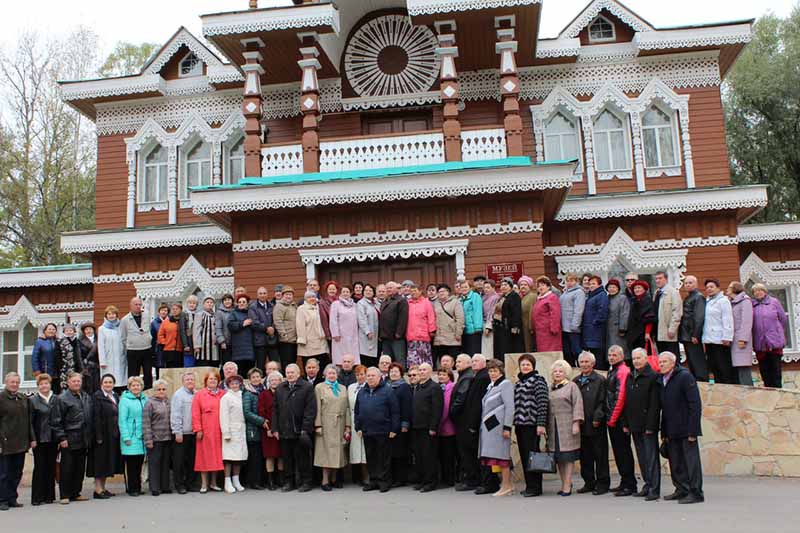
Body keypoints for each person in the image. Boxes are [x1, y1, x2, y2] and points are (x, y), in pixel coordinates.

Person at [658, 351, 704, 504]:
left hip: (686, 429)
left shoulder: (685, 377)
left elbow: (695, 404)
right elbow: (664, 407)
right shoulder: (663, 379)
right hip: (671, 429)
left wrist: (693, 430)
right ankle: (681, 489)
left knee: (691, 462)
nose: (661, 364)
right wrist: (663, 431)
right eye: (660, 362)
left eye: (664, 362)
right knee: (676, 462)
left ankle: (695, 492)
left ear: (673, 362)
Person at [623, 348, 661, 501]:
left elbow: (654, 405)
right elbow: (627, 402)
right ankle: (647, 484)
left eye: (639, 358)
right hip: (634, 424)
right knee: (642, 457)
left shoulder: (652, 377)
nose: (636, 361)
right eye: (634, 358)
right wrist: (626, 422)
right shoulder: (631, 376)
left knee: (651, 457)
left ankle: (654, 488)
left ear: (646, 359)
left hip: (647, 426)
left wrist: (651, 426)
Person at [355, 366, 400, 493]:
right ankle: (373, 480)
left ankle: (384, 481)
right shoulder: (362, 392)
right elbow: (357, 411)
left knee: (383, 458)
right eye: (368, 376)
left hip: (383, 430)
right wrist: (358, 426)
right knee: (371, 457)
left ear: (379, 377)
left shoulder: (388, 390)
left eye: (372, 376)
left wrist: (394, 428)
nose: (369, 378)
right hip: (367, 430)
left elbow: (395, 411)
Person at [273, 364, 317, 492]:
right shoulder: (280, 388)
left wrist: (305, 428)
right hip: (284, 430)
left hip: (300, 430)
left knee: (303, 458)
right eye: (287, 372)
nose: (290, 374)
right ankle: (289, 482)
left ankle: (306, 482)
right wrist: (275, 428)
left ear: (298, 373)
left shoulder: (307, 387)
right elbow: (275, 410)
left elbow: (311, 410)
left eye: (292, 372)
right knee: (287, 458)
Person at [51, 372, 92, 504]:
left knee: (79, 468)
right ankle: (65, 495)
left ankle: (76, 492)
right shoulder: (62, 398)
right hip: (69, 438)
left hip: (83, 437)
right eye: (74, 381)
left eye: (78, 381)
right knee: (67, 468)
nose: (76, 383)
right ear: (68, 382)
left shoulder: (85, 396)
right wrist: (62, 438)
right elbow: (56, 420)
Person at [574, 351, 610, 495]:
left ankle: (602, 483)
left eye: (587, 362)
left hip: (596, 424)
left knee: (600, 455)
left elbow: (603, 401)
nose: (584, 365)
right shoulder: (575, 381)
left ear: (593, 364)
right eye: (582, 362)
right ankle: (589, 482)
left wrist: (597, 418)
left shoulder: (600, 380)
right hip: (581, 425)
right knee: (585, 455)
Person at [513, 353, 549, 497]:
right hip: (520, 424)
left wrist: (541, 424)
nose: (525, 367)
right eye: (523, 365)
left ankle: (535, 487)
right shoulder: (518, 382)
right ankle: (529, 485)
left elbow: (542, 404)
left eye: (528, 364)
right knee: (524, 455)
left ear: (533, 366)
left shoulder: (538, 381)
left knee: (532, 456)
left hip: (532, 424)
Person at [478, 359, 514, 497]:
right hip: (490, 428)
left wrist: (507, 427)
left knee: (502, 458)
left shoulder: (505, 384)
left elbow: (510, 407)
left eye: (495, 371)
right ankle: (507, 485)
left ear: (501, 371)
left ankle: (506, 486)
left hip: (499, 428)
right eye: (490, 371)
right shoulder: (491, 386)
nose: (492, 373)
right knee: (496, 458)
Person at [547, 360, 584, 496]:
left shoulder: (572, 386)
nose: (557, 373)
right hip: (553, 427)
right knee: (559, 458)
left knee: (568, 457)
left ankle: (568, 485)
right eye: (555, 371)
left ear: (566, 373)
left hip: (568, 426)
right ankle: (564, 483)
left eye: (560, 371)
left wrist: (576, 423)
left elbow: (578, 404)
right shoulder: (550, 387)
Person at [0, 372, 35, 511]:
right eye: (12, 382)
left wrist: (32, 439)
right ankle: (2, 499)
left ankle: (12, 498)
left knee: (16, 473)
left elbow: (29, 421)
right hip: (5, 443)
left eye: (17, 382)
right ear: (6, 382)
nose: (14, 384)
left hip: (21, 443)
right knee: (4, 474)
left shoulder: (23, 398)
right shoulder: (1, 398)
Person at [314, 364, 350, 491]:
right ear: (325, 374)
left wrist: (347, 426)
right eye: (329, 373)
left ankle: (334, 478)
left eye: (334, 373)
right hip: (326, 423)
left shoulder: (342, 388)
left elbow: (347, 408)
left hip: (339, 423)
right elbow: (317, 407)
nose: (332, 375)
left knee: (338, 452)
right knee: (325, 452)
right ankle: (325, 480)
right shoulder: (319, 387)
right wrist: (318, 425)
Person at [606, 345, 636, 496]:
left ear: (622, 356)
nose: (611, 357)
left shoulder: (623, 371)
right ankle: (625, 482)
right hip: (614, 418)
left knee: (623, 452)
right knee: (619, 452)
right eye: (610, 354)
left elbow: (620, 397)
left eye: (615, 355)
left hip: (619, 419)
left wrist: (612, 418)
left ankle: (630, 484)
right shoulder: (613, 370)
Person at [411, 363, 443, 492]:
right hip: (416, 427)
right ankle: (422, 480)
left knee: (429, 456)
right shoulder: (417, 387)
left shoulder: (434, 387)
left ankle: (431, 482)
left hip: (428, 428)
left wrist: (433, 427)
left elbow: (437, 409)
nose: (422, 372)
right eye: (420, 370)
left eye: (424, 370)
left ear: (430, 372)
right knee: (419, 456)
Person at [192, 369, 225, 493]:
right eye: (210, 379)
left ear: (218, 381)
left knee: (216, 457)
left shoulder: (223, 394)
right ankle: (204, 484)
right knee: (204, 457)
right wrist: (198, 429)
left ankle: (214, 483)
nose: (212, 381)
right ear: (206, 381)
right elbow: (195, 413)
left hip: (219, 430)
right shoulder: (199, 395)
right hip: (205, 430)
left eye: (215, 379)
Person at [90, 374, 123, 500]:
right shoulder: (97, 397)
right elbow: (96, 417)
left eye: (110, 382)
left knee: (106, 463)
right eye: (106, 382)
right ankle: (97, 489)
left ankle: (103, 488)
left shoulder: (115, 396)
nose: (108, 384)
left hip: (112, 433)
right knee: (100, 463)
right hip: (102, 435)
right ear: (101, 384)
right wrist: (98, 436)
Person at [751, 283, 788, 388]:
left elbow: (783, 319)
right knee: (765, 373)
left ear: (765, 291)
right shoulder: (753, 305)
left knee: (776, 372)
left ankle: (778, 395)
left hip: (774, 343)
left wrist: (777, 331)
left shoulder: (774, 302)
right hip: (760, 344)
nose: (758, 292)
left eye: (760, 290)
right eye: (755, 291)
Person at [30, 374, 57, 506]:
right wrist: (32, 439)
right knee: (39, 467)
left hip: (53, 439)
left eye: (46, 383)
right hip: (39, 439)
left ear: (50, 384)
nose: (44, 386)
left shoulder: (55, 399)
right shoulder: (33, 400)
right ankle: (37, 497)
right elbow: (30, 422)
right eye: (41, 384)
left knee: (51, 467)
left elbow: (58, 419)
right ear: (38, 386)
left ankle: (49, 496)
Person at [118, 375, 147, 496]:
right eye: (133, 385)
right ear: (129, 387)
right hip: (130, 437)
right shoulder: (125, 400)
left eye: (138, 385)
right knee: (131, 465)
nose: (136, 387)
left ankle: (138, 487)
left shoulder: (145, 399)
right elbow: (122, 420)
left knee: (139, 464)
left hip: (142, 437)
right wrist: (126, 437)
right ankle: (132, 488)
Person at [143, 379, 172, 496]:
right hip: (155, 439)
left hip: (167, 438)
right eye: (158, 389)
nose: (161, 391)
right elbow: (146, 422)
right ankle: (154, 487)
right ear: (154, 391)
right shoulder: (149, 403)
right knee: (154, 464)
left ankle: (165, 486)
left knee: (165, 464)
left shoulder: (168, 402)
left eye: (163, 389)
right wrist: (148, 439)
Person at [703, 278, 735, 384]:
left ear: (718, 288)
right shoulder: (707, 301)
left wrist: (727, 337)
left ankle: (728, 389)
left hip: (720, 340)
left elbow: (727, 319)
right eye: (707, 287)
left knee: (723, 367)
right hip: (709, 339)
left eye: (711, 287)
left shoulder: (723, 301)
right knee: (714, 366)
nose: (709, 289)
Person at [220, 374, 248, 493]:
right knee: (229, 458)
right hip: (231, 430)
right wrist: (226, 432)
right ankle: (227, 481)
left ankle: (236, 480)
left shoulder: (243, 395)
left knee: (239, 458)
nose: (235, 386)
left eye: (237, 383)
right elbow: (223, 416)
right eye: (232, 384)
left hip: (241, 429)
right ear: (228, 385)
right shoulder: (226, 398)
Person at [170, 371, 197, 494]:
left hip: (194, 433)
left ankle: (190, 484)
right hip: (182, 434)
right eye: (187, 380)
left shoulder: (197, 394)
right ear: (183, 382)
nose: (190, 381)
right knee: (179, 461)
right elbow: (175, 414)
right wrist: (177, 432)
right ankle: (179, 485)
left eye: (192, 379)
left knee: (191, 461)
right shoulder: (178, 395)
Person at [387, 363, 412, 487]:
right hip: (389, 425)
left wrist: (405, 424)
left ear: (401, 373)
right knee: (391, 453)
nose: (393, 374)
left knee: (400, 453)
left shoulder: (405, 387)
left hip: (401, 424)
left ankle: (401, 479)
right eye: (391, 371)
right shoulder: (387, 386)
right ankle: (393, 477)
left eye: (396, 371)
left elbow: (407, 407)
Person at [258, 371, 284, 490]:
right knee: (270, 455)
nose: (274, 382)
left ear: (280, 381)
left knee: (281, 455)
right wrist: (268, 429)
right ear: (269, 382)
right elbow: (261, 412)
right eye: (272, 380)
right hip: (268, 429)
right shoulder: (264, 394)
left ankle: (281, 479)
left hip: (282, 429)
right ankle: (271, 481)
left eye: (276, 380)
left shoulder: (284, 392)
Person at [680, 276, 708, 382]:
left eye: (690, 283)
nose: (687, 285)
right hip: (687, 335)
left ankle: (702, 382)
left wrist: (695, 335)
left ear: (696, 284)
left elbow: (699, 317)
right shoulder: (688, 297)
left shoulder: (698, 297)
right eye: (686, 283)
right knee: (692, 362)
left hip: (693, 336)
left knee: (698, 362)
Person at [243, 368, 267, 490]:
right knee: (255, 457)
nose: (256, 379)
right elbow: (247, 412)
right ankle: (254, 482)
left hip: (262, 429)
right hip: (253, 429)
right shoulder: (248, 393)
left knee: (261, 456)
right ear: (250, 379)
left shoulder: (263, 390)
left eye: (258, 376)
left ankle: (261, 480)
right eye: (253, 377)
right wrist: (261, 421)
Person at [728, 282, 754, 386]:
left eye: (729, 288)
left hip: (741, 340)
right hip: (734, 339)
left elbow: (747, 321)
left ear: (735, 289)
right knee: (737, 369)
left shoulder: (745, 301)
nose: (727, 290)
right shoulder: (732, 302)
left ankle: (749, 393)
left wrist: (743, 339)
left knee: (743, 368)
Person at [433, 284, 465, 366]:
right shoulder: (435, 303)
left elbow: (460, 318)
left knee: (453, 360)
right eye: (439, 292)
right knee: (443, 361)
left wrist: (458, 333)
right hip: (439, 337)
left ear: (448, 292)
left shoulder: (455, 302)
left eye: (443, 291)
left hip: (452, 336)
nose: (441, 293)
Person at [406, 283, 437, 368]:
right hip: (411, 335)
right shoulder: (408, 303)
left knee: (424, 358)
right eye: (411, 291)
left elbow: (431, 317)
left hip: (423, 335)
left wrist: (432, 330)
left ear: (420, 291)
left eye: (415, 291)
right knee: (413, 359)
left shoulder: (426, 303)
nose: (413, 293)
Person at [347, 365, 368, 485]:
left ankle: (367, 476)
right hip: (353, 418)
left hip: (366, 419)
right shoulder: (351, 387)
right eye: (358, 374)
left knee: (365, 448)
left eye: (362, 374)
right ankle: (358, 476)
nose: (360, 377)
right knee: (356, 449)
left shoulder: (369, 386)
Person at [653, 271, 683, 355]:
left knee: (672, 357)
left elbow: (677, 312)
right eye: (656, 279)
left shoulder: (673, 292)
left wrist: (672, 329)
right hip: (658, 332)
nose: (657, 281)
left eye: (660, 278)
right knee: (662, 357)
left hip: (668, 333)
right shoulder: (657, 293)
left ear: (666, 279)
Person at [494, 277, 523, 362]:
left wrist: (515, 326)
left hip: (510, 328)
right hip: (500, 327)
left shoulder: (514, 296)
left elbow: (516, 312)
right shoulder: (502, 297)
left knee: (509, 348)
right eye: (502, 285)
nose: (503, 287)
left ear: (510, 286)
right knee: (501, 349)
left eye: (505, 285)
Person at [296, 291, 328, 369]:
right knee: (310, 366)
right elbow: (300, 325)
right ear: (305, 299)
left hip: (321, 342)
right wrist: (302, 339)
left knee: (322, 365)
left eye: (313, 297)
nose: (312, 299)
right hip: (308, 343)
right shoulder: (301, 309)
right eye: (309, 297)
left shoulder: (319, 307)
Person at [379, 281, 409, 366]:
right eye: (387, 288)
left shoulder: (401, 300)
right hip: (385, 336)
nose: (388, 289)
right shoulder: (385, 301)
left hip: (396, 337)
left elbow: (403, 318)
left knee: (399, 359)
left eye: (391, 288)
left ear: (396, 289)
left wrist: (399, 333)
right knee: (387, 360)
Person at [101, 305, 129, 392]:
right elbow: (101, 346)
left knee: (121, 380)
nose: (111, 316)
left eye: (113, 314)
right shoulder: (102, 329)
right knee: (110, 380)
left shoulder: (121, 327)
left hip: (121, 358)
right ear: (106, 316)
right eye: (109, 314)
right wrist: (102, 361)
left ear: (116, 315)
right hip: (108, 359)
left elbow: (124, 341)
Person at [560, 273, 586, 366]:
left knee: (576, 351)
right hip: (564, 327)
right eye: (567, 280)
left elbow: (578, 310)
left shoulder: (579, 292)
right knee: (567, 352)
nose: (569, 283)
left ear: (576, 281)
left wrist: (575, 325)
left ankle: (581, 369)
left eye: (571, 280)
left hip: (573, 328)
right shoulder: (565, 292)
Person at [330, 286, 360, 367]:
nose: (345, 293)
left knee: (353, 356)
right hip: (340, 336)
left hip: (353, 335)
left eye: (347, 292)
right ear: (341, 293)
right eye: (343, 292)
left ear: (351, 293)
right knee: (340, 357)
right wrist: (335, 333)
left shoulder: (355, 305)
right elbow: (333, 320)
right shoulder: (335, 304)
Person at [531, 276, 562, 354]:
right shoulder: (540, 298)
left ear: (548, 286)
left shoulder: (552, 297)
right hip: (540, 332)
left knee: (550, 351)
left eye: (543, 285)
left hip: (549, 331)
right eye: (538, 286)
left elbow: (555, 314)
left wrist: (554, 328)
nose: (540, 287)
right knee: (543, 352)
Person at [437, 368, 457, 487]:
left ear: (449, 376)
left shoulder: (451, 387)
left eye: (444, 374)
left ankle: (450, 479)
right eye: (439, 374)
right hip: (440, 427)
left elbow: (446, 407)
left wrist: (438, 423)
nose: (441, 376)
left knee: (449, 455)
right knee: (442, 455)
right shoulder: (439, 388)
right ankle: (444, 478)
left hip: (448, 427)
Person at [249, 286, 275, 372]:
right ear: (257, 295)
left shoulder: (271, 306)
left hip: (271, 340)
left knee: (274, 364)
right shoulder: (253, 307)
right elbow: (254, 322)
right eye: (260, 293)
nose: (262, 295)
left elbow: (275, 320)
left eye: (264, 293)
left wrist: (273, 328)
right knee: (260, 365)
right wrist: (267, 328)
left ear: (267, 294)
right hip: (259, 341)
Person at [228, 294, 256, 373]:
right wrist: (242, 324)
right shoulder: (233, 313)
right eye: (239, 302)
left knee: (250, 372)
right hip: (238, 349)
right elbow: (230, 325)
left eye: (244, 302)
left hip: (250, 349)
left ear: (247, 303)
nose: (241, 303)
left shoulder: (251, 313)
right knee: (240, 372)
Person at [626, 280, 656, 352]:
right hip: (634, 333)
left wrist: (647, 333)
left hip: (643, 333)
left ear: (644, 289)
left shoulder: (647, 301)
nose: (637, 290)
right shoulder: (634, 300)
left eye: (639, 288)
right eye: (635, 288)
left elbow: (649, 318)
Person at [274, 287, 298, 372]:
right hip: (285, 340)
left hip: (294, 339)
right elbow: (278, 322)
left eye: (290, 294)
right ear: (283, 296)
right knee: (286, 362)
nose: (288, 296)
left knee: (293, 361)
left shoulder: (294, 306)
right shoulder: (279, 306)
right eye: (286, 294)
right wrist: (284, 336)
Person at [605, 279, 630, 362]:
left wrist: (622, 328)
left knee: (619, 351)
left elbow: (625, 313)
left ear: (618, 288)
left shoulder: (622, 298)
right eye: (610, 287)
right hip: (608, 330)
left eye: (614, 287)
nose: (611, 289)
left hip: (618, 330)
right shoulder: (607, 298)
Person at [56, 324, 83, 397]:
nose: (69, 332)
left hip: (77, 368)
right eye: (66, 330)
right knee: (65, 387)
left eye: (71, 330)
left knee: (76, 385)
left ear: (74, 332)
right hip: (64, 369)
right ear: (64, 332)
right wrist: (61, 366)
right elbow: (58, 355)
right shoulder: (60, 342)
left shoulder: (78, 342)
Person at [357, 284, 380, 367]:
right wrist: (367, 331)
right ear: (363, 292)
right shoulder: (361, 303)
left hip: (376, 334)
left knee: (375, 357)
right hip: (367, 334)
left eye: (370, 290)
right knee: (366, 355)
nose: (368, 292)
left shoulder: (376, 303)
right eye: (366, 290)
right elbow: (361, 319)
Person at [458, 280, 484, 356]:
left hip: (473, 330)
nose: (464, 289)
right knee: (466, 353)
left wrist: (478, 327)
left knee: (474, 352)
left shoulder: (475, 296)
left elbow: (477, 311)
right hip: (464, 329)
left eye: (466, 287)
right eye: (462, 287)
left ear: (470, 288)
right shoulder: (460, 299)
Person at [193, 296, 219, 366]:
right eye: (207, 302)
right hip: (203, 347)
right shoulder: (200, 314)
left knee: (214, 365)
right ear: (203, 304)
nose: (209, 304)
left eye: (211, 302)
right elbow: (196, 330)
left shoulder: (216, 315)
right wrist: (197, 345)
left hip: (214, 347)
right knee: (203, 366)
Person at [158, 303, 184, 369]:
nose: (174, 311)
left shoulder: (183, 321)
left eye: (177, 309)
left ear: (181, 310)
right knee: (169, 370)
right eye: (173, 309)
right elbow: (160, 335)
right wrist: (165, 342)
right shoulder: (166, 322)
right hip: (168, 350)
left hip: (180, 351)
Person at [78, 323, 100, 394]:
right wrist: (82, 368)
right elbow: (79, 356)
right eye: (86, 329)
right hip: (86, 366)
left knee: (97, 386)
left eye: (90, 329)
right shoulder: (79, 341)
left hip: (98, 367)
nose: (88, 331)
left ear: (93, 330)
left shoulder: (99, 339)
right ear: (84, 331)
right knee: (87, 387)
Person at [215, 294, 235, 368]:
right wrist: (222, 341)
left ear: (232, 301)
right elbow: (218, 328)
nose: (227, 301)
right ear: (222, 302)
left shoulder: (235, 310)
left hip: (235, 342)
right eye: (225, 300)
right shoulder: (219, 312)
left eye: (229, 300)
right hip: (225, 343)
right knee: (227, 364)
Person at [481, 280, 500, 357]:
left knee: (489, 346)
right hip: (483, 322)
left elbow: (492, 312)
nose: (486, 289)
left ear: (493, 288)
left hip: (489, 324)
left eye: (488, 287)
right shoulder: (484, 297)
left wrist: (488, 326)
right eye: (484, 287)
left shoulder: (495, 298)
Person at [319, 281, 340, 348]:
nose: (332, 291)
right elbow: (324, 320)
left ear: (336, 290)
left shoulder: (340, 301)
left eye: (333, 289)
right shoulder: (322, 302)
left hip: (341, 331)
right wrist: (328, 334)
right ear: (327, 290)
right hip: (331, 333)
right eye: (330, 289)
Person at [180, 295, 198, 368]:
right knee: (189, 367)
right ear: (187, 304)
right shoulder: (183, 314)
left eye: (194, 303)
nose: (192, 304)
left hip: (197, 345)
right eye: (190, 303)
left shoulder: (198, 314)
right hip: (188, 344)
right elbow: (182, 330)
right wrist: (185, 345)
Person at [150, 304, 168, 375]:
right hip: (159, 348)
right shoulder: (154, 323)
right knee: (159, 368)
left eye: (166, 311)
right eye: (162, 310)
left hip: (168, 347)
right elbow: (152, 337)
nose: (164, 312)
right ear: (159, 312)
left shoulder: (170, 321)